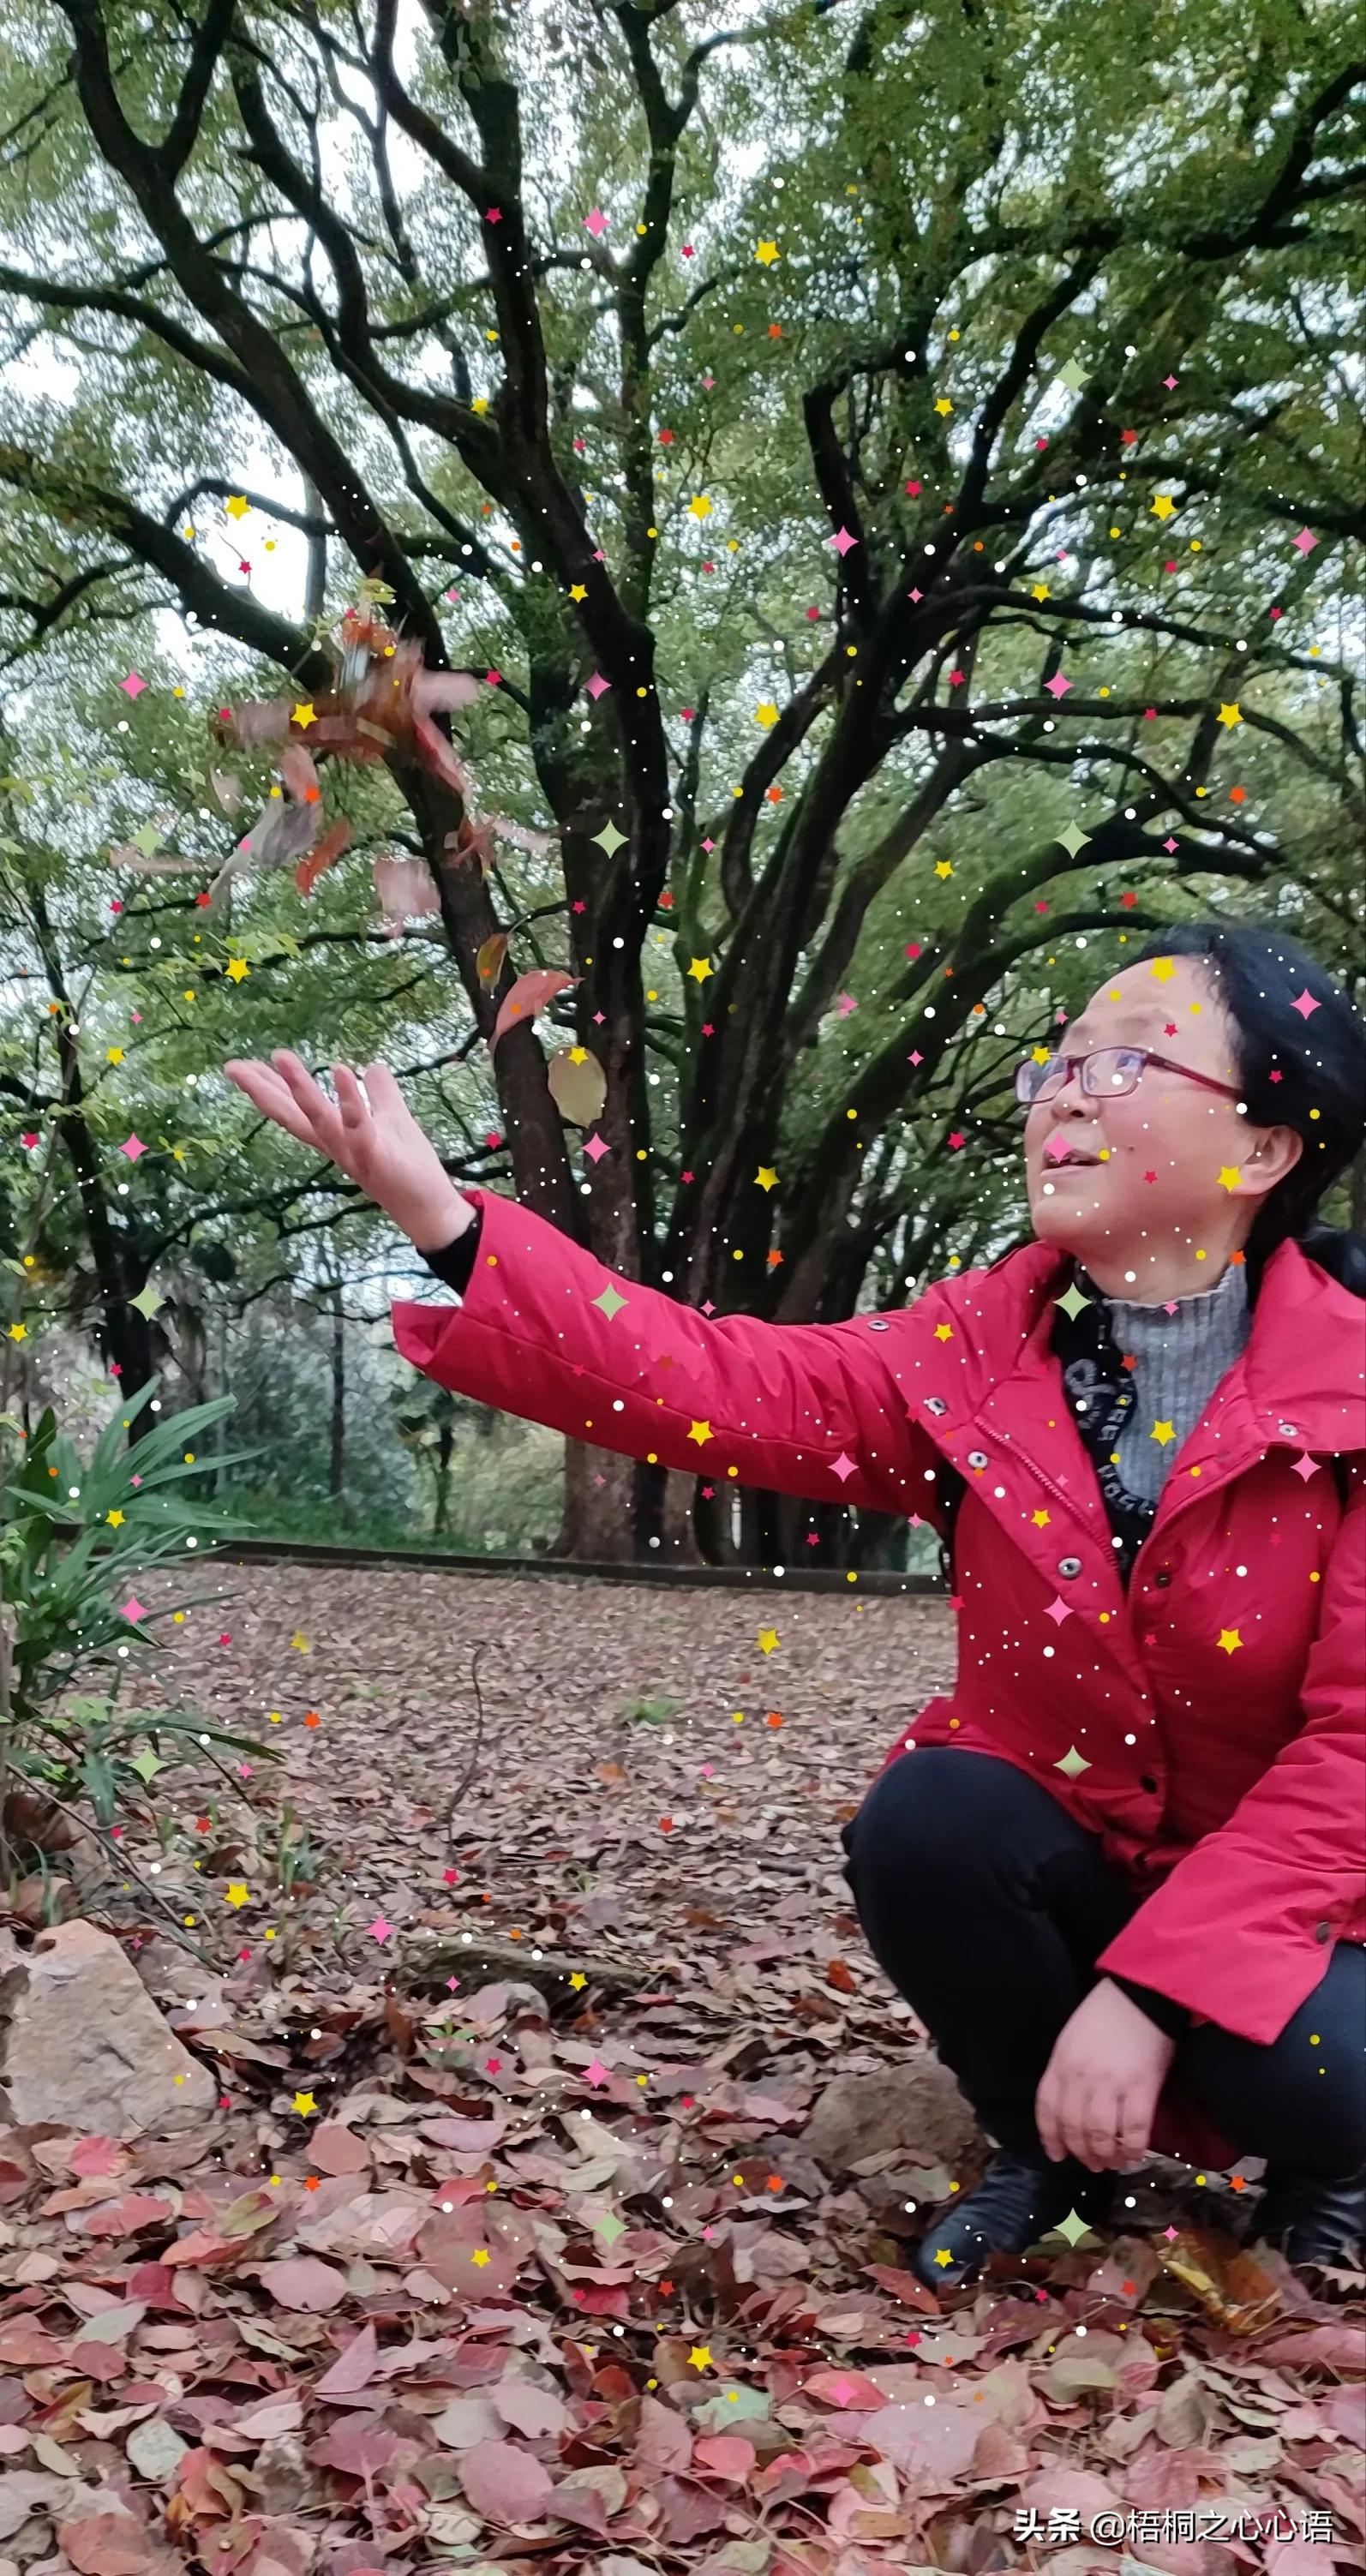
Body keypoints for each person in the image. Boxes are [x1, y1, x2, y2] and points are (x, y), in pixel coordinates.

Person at [225, 921, 1366, 2285]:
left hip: (1311, 1908)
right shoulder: (971, 1358)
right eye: (1053, 1065)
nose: (1064, 1093)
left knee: (1308, 2060)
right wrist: (448, 1225)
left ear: (1263, 1148)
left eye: (1126, 1063)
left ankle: (1331, 2171)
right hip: (1092, 1857)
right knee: (932, 1822)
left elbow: (1350, 1763)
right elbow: (710, 1379)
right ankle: (1043, 2158)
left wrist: (1144, 1990)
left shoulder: (1350, 1396)